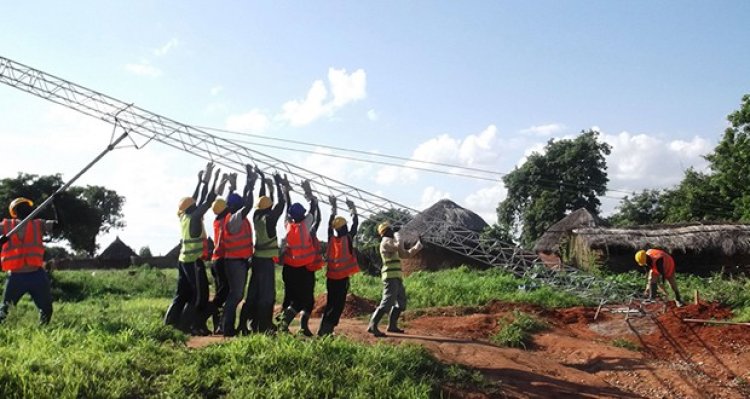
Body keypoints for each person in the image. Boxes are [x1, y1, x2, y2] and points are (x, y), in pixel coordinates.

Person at [164, 162, 217, 335]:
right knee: (199, 296)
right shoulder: (195, 217)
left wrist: (201, 181)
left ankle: (170, 322)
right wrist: (213, 179)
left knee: (182, 293)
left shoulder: (183, 216)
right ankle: (187, 325)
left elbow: (195, 200)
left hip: (183, 261)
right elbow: (207, 201)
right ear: (193, 208)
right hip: (194, 262)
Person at [238, 168, 285, 334]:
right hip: (265, 262)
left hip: (256, 259)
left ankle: (244, 324)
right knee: (266, 295)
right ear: (269, 208)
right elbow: (282, 204)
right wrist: (279, 185)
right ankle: (263, 326)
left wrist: (263, 180)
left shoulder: (256, 216)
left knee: (253, 293)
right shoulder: (270, 220)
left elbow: (262, 199)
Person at [0, 197, 59, 325]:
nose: (25, 209)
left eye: (27, 206)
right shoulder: (6, 226)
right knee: (5, 310)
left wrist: (56, 206)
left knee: (46, 308)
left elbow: (59, 226)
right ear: (15, 211)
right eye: (21, 207)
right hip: (16, 276)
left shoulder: (39, 224)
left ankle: (43, 330)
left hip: (36, 274)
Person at [213, 165, 257, 337]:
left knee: (235, 295)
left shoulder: (231, 217)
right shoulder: (234, 218)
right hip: (235, 262)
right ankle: (227, 327)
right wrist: (250, 183)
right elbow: (249, 204)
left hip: (237, 261)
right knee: (235, 295)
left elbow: (244, 203)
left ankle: (225, 325)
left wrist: (243, 184)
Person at [277, 179, 319, 335]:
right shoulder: (305, 225)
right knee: (303, 300)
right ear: (302, 215)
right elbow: (313, 209)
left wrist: (285, 191)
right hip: (303, 269)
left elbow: (287, 210)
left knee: (290, 298)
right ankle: (285, 324)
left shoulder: (288, 225)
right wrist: (308, 192)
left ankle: (285, 324)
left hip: (289, 268)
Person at [367, 221, 423, 337]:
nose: (392, 231)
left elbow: (405, 254)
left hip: (396, 277)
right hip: (390, 277)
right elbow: (398, 246)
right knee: (387, 302)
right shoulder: (385, 243)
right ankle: (372, 325)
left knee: (401, 303)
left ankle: (392, 326)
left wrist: (418, 245)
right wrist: (398, 235)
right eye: (390, 230)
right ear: (385, 232)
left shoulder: (392, 242)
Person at [318, 197, 360, 336]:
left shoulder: (331, 239)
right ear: (344, 227)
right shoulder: (347, 239)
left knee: (331, 303)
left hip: (331, 278)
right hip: (341, 279)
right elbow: (356, 223)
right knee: (337, 306)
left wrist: (333, 208)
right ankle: (327, 331)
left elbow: (329, 226)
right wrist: (352, 208)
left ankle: (323, 328)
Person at [209, 173, 231, 334]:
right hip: (223, 260)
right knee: (224, 293)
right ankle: (208, 314)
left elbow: (219, 202)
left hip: (215, 260)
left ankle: (218, 325)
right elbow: (230, 205)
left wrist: (222, 182)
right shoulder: (226, 219)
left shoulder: (217, 219)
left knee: (220, 292)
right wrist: (229, 186)